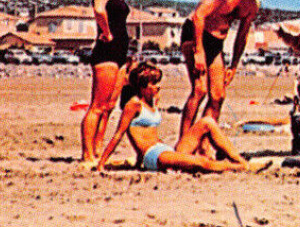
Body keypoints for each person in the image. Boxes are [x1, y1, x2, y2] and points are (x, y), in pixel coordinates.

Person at [97, 63, 260, 176]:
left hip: (165, 150)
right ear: (142, 86)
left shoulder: (152, 101)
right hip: (154, 156)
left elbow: (147, 132)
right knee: (201, 163)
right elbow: (119, 134)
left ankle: (239, 161)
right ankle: (240, 167)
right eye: (153, 83)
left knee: (208, 122)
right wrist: (101, 164)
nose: (158, 86)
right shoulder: (133, 105)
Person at [180, 0, 275, 144]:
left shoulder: (252, 6)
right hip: (195, 34)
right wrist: (199, 52)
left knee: (218, 96)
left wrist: (233, 66)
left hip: (216, 43)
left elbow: (242, 37)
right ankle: (182, 144)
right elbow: (198, 16)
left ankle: (203, 145)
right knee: (200, 90)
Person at [81, 0, 134, 168]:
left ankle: (99, 148)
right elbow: (99, 10)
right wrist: (106, 31)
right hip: (107, 52)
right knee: (98, 105)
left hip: (121, 53)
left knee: (111, 105)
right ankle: (87, 154)